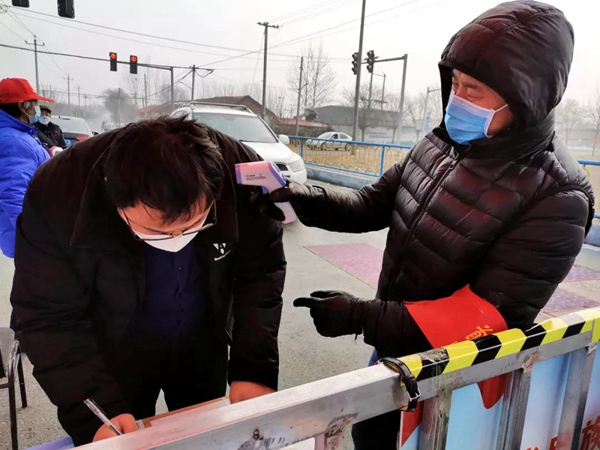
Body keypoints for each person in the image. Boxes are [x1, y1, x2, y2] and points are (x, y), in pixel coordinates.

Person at [271, 1, 594, 448]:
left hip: (452, 380)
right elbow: (373, 204)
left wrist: (361, 316)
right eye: (455, 83)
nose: (458, 100)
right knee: (370, 436)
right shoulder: (443, 141)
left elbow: (485, 315)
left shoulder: (557, 196)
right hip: (390, 347)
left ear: (525, 97)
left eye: (474, 89)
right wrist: (304, 201)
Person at [11, 117, 286, 445]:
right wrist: (94, 408)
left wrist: (254, 368)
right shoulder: (59, 191)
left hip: (202, 337)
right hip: (112, 345)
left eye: (194, 224)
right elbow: (45, 314)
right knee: (122, 434)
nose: (177, 238)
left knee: (204, 436)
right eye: (156, 232)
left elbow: (261, 270)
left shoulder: (239, 173)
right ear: (116, 203)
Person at [0, 78, 51, 259]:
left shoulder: (18, 135)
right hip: (31, 244)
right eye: (35, 105)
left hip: (31, 237)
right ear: (23, 105)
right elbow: (14, 194)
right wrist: (37, 239)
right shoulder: (12, 141)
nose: (36, 110)